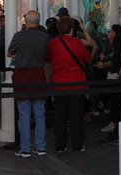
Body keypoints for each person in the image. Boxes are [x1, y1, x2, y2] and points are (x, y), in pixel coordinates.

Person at [45, 16, 96, 153]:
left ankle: (60, 145)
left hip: (59, 84)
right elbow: (87, 58)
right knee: (76, 116)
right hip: (77, 84)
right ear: (72, 29)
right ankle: (77, 145)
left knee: (60, 116)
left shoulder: (53, 43)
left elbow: (48, 59)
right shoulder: (77, 44)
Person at [7, 10, 50, 158]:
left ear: (26, 21)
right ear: (38, 22)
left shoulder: (19, 36)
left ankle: (25, 148)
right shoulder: (45, 37)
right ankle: (41, 146)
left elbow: (9, 53)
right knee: (39, 113)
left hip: (22, 76)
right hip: (38, 74)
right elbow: (48, 55)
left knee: (24, 113)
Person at [98, 24, 121, 146]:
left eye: (110, 31)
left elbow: (116, 61)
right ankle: (114, 124)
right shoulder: (114, 44)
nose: (108, 33)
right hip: (114, 75)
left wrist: (104, 64)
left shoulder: (118, 44)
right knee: (114, 101)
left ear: (115, 33)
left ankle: (115, 125)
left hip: (116, 76)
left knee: (116, 101)